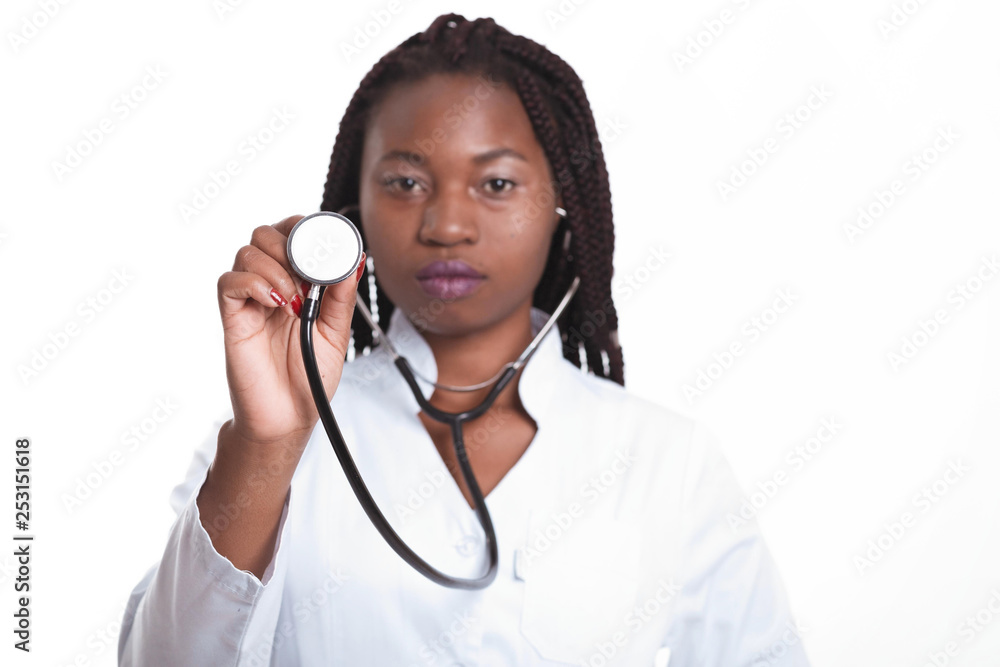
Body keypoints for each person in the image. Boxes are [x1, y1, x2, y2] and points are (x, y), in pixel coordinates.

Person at [118, 13, 810, 666]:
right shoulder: (267, 444)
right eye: (406, 181)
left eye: (497, 182)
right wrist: (268, 446)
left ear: (564, 207)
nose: (447, 223)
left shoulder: (669, 460)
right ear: (351, 211)